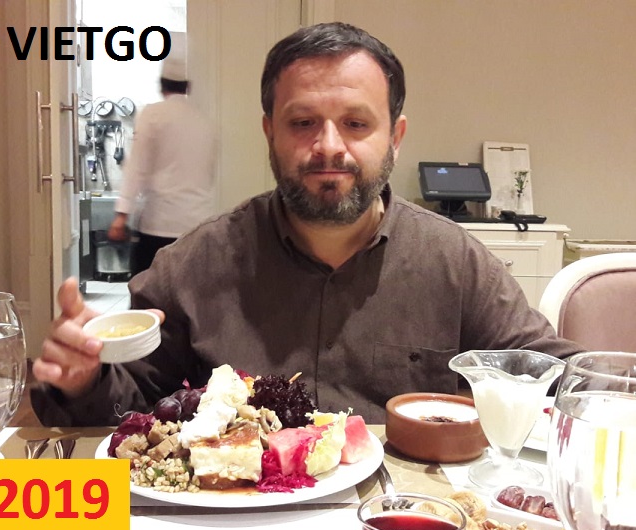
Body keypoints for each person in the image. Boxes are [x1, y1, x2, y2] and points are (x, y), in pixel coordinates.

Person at [31, 22, 583, 426]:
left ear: (395, 137)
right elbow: (126, 402)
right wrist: (83, 379)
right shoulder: (194, 264)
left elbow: (557, 374)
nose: (329, 146)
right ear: (270, 132)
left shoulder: (455, 263)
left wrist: (605, 387)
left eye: (356, 123)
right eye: (302, 123)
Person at [107, 56, 217, 276]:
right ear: (188, 86)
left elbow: (137, 168)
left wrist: (121, 216)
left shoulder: (153, 115)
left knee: (148, 291)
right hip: (198, 225)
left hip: (159, 225)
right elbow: (210, 173)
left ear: (161, 86)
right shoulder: (204, 120)